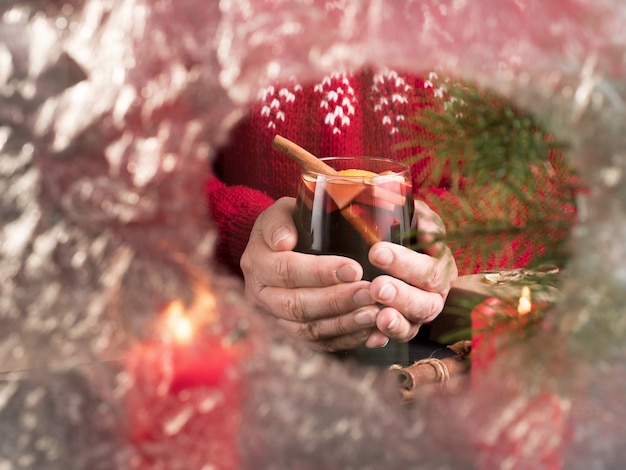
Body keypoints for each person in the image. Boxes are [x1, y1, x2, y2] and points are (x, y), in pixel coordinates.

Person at [207, 68, 575, 356]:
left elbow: (567, 166)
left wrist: (447, 245)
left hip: (472, 352)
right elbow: (153, 165)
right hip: (229, 339)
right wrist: (236, 235)